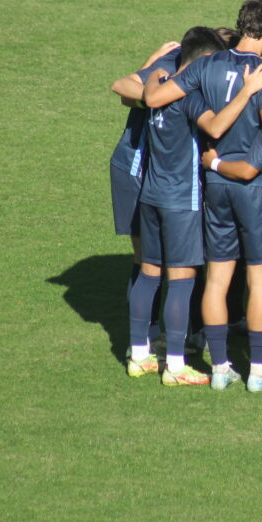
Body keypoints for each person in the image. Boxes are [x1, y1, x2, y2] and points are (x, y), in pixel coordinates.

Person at [143, 0, 262, 391]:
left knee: (217, 278)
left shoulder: (205, 65)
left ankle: (221, 368)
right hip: (253, 187)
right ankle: (259, 371)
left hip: (215, 184)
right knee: (260, 280)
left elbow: (155, 99)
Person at [127, 27, 262, 385]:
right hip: (183, 200)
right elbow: (219, 126)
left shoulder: (157, 92)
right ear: (206, 61)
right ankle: (175, 367)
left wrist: (151, 77)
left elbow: (145, 94)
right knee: (181, 281)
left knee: (148, 275)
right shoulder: (190, 99)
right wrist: (247, 91)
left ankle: (138, 355)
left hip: (150, 194)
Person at [108, 40, 183, 340]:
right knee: (147, 260)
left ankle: (167, 335)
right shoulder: (172, 64)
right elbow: (121, 87)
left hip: (164, 175)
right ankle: (145, 338)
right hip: (135, 170)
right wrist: (154, 92)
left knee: (174, 260)